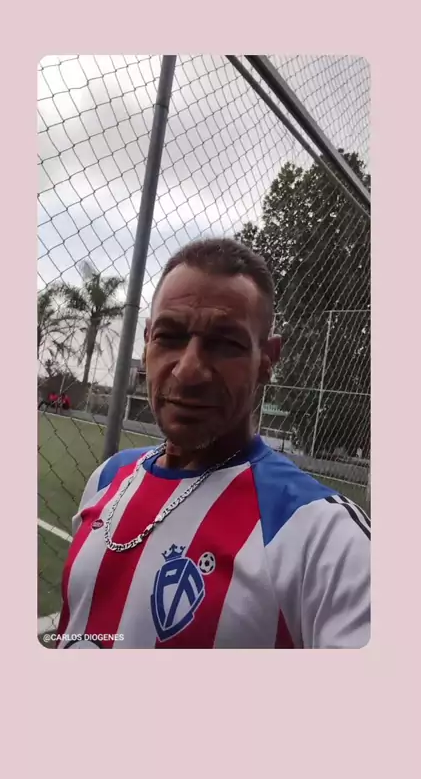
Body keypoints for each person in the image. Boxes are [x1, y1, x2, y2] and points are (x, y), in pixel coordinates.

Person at [56, 238, 370, 649]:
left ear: (267, 359)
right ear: (147, 342)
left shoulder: (323, 535)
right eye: (169, 336)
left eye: (225, 344)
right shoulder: (108, 478)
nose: (188, 370)